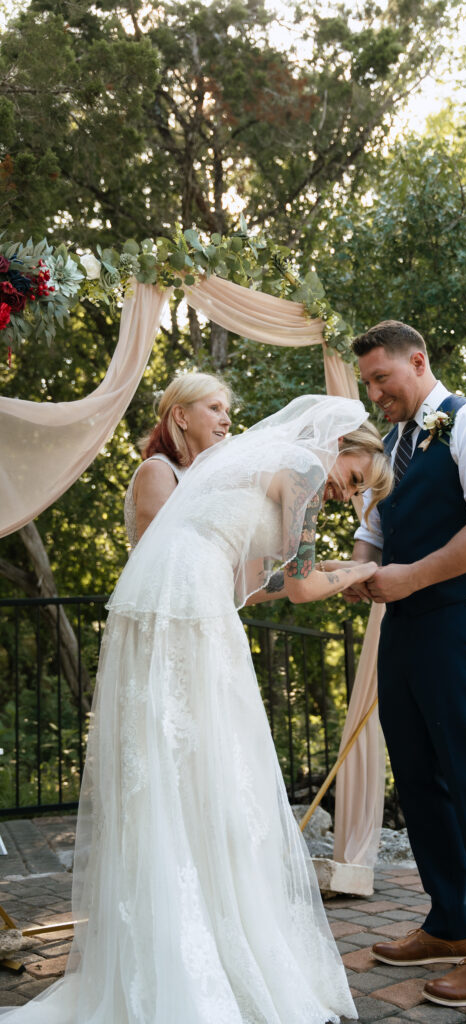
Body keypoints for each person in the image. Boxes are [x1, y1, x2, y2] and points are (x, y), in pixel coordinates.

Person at [0, 395, 392, 1024]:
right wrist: (363, 572)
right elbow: (301, 587)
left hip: (158, 592)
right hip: (188, 602)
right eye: (355, 479)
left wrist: (329, 567)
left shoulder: (265, 461)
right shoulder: (306, 472)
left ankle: (171, 943)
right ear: (343, 447)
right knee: (212, 761)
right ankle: (209, 947)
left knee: (168, 764)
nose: (348, 494)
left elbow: (258, 576)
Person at [345, 321, 466, 1009]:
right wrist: (355, 573)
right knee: (420, 781)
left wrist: (409, 577)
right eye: (367, 382)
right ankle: (448, 922)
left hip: (465, 620)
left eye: (381, 379)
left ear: (416, 362)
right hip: (406, 628)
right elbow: (372, 534)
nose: (374, 393)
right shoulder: (391, 444)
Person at [124, 371, 232, 547]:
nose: (227, 421)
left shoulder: (208, 478)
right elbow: (159, 557)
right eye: (214, 408)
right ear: (181, 416)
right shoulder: (158, 471)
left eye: (227, 412)